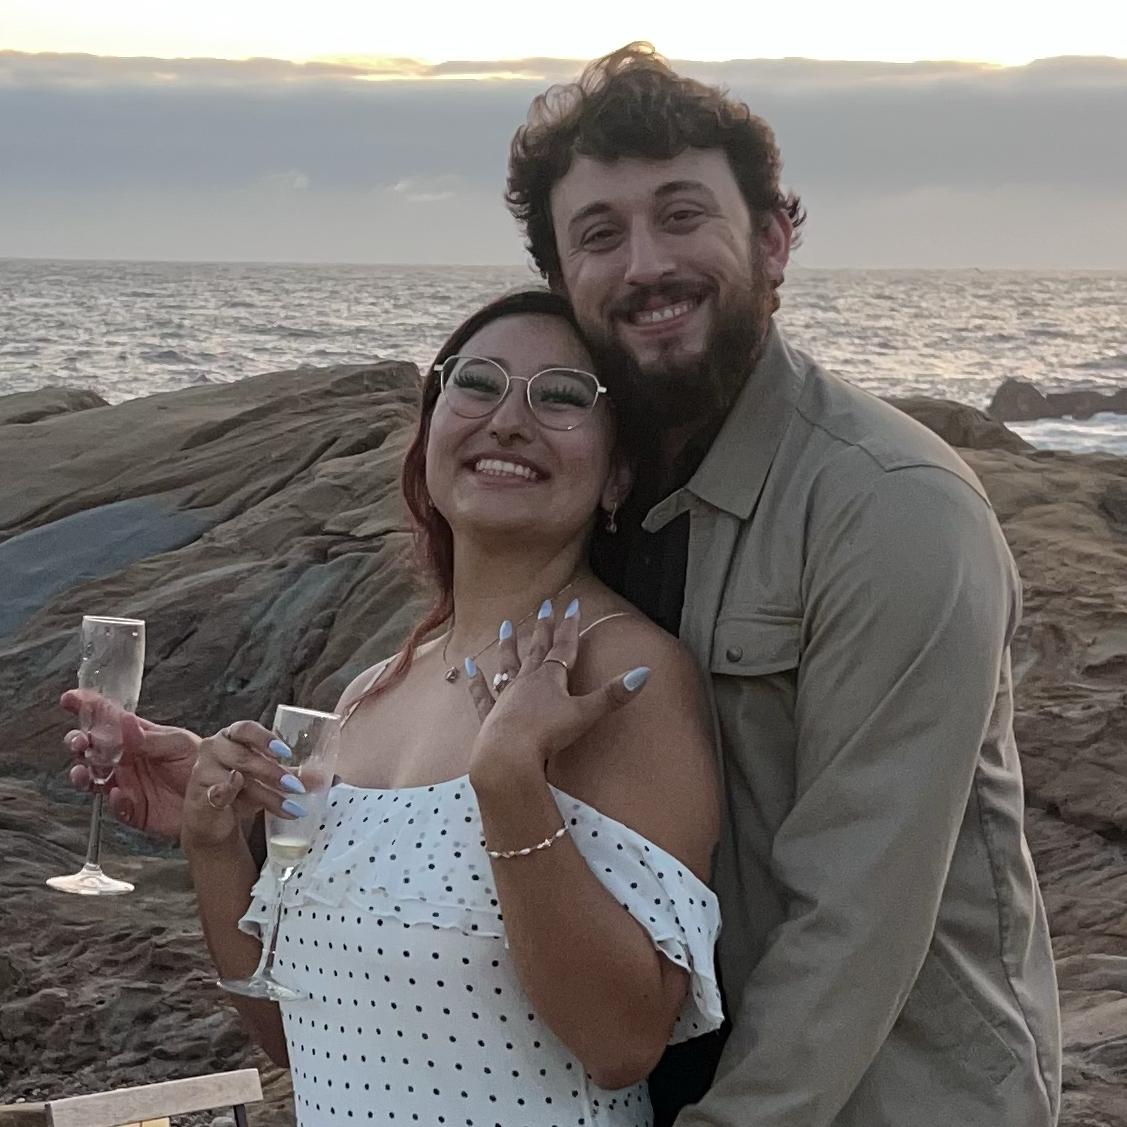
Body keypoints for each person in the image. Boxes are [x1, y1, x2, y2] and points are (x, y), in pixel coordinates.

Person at [67, 41, 1062, 1127]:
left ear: (773, 238)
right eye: (599, 234)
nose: (644, 263)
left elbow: (855, 921)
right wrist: (220, 834)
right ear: (564, 279)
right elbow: (327, 1012)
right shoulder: (455, 634)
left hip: (880, 1098)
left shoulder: (888, 510)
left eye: (681, 215)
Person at [74, 289, 724, 1126]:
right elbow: (299, 1032)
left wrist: (509, 782)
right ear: (427, 438)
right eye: (476, 383)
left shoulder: (624, 677)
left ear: (618, 474)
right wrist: (212, 843)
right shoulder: (369, 691)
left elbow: (620, 1042)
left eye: (561, 395)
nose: (508, 421)